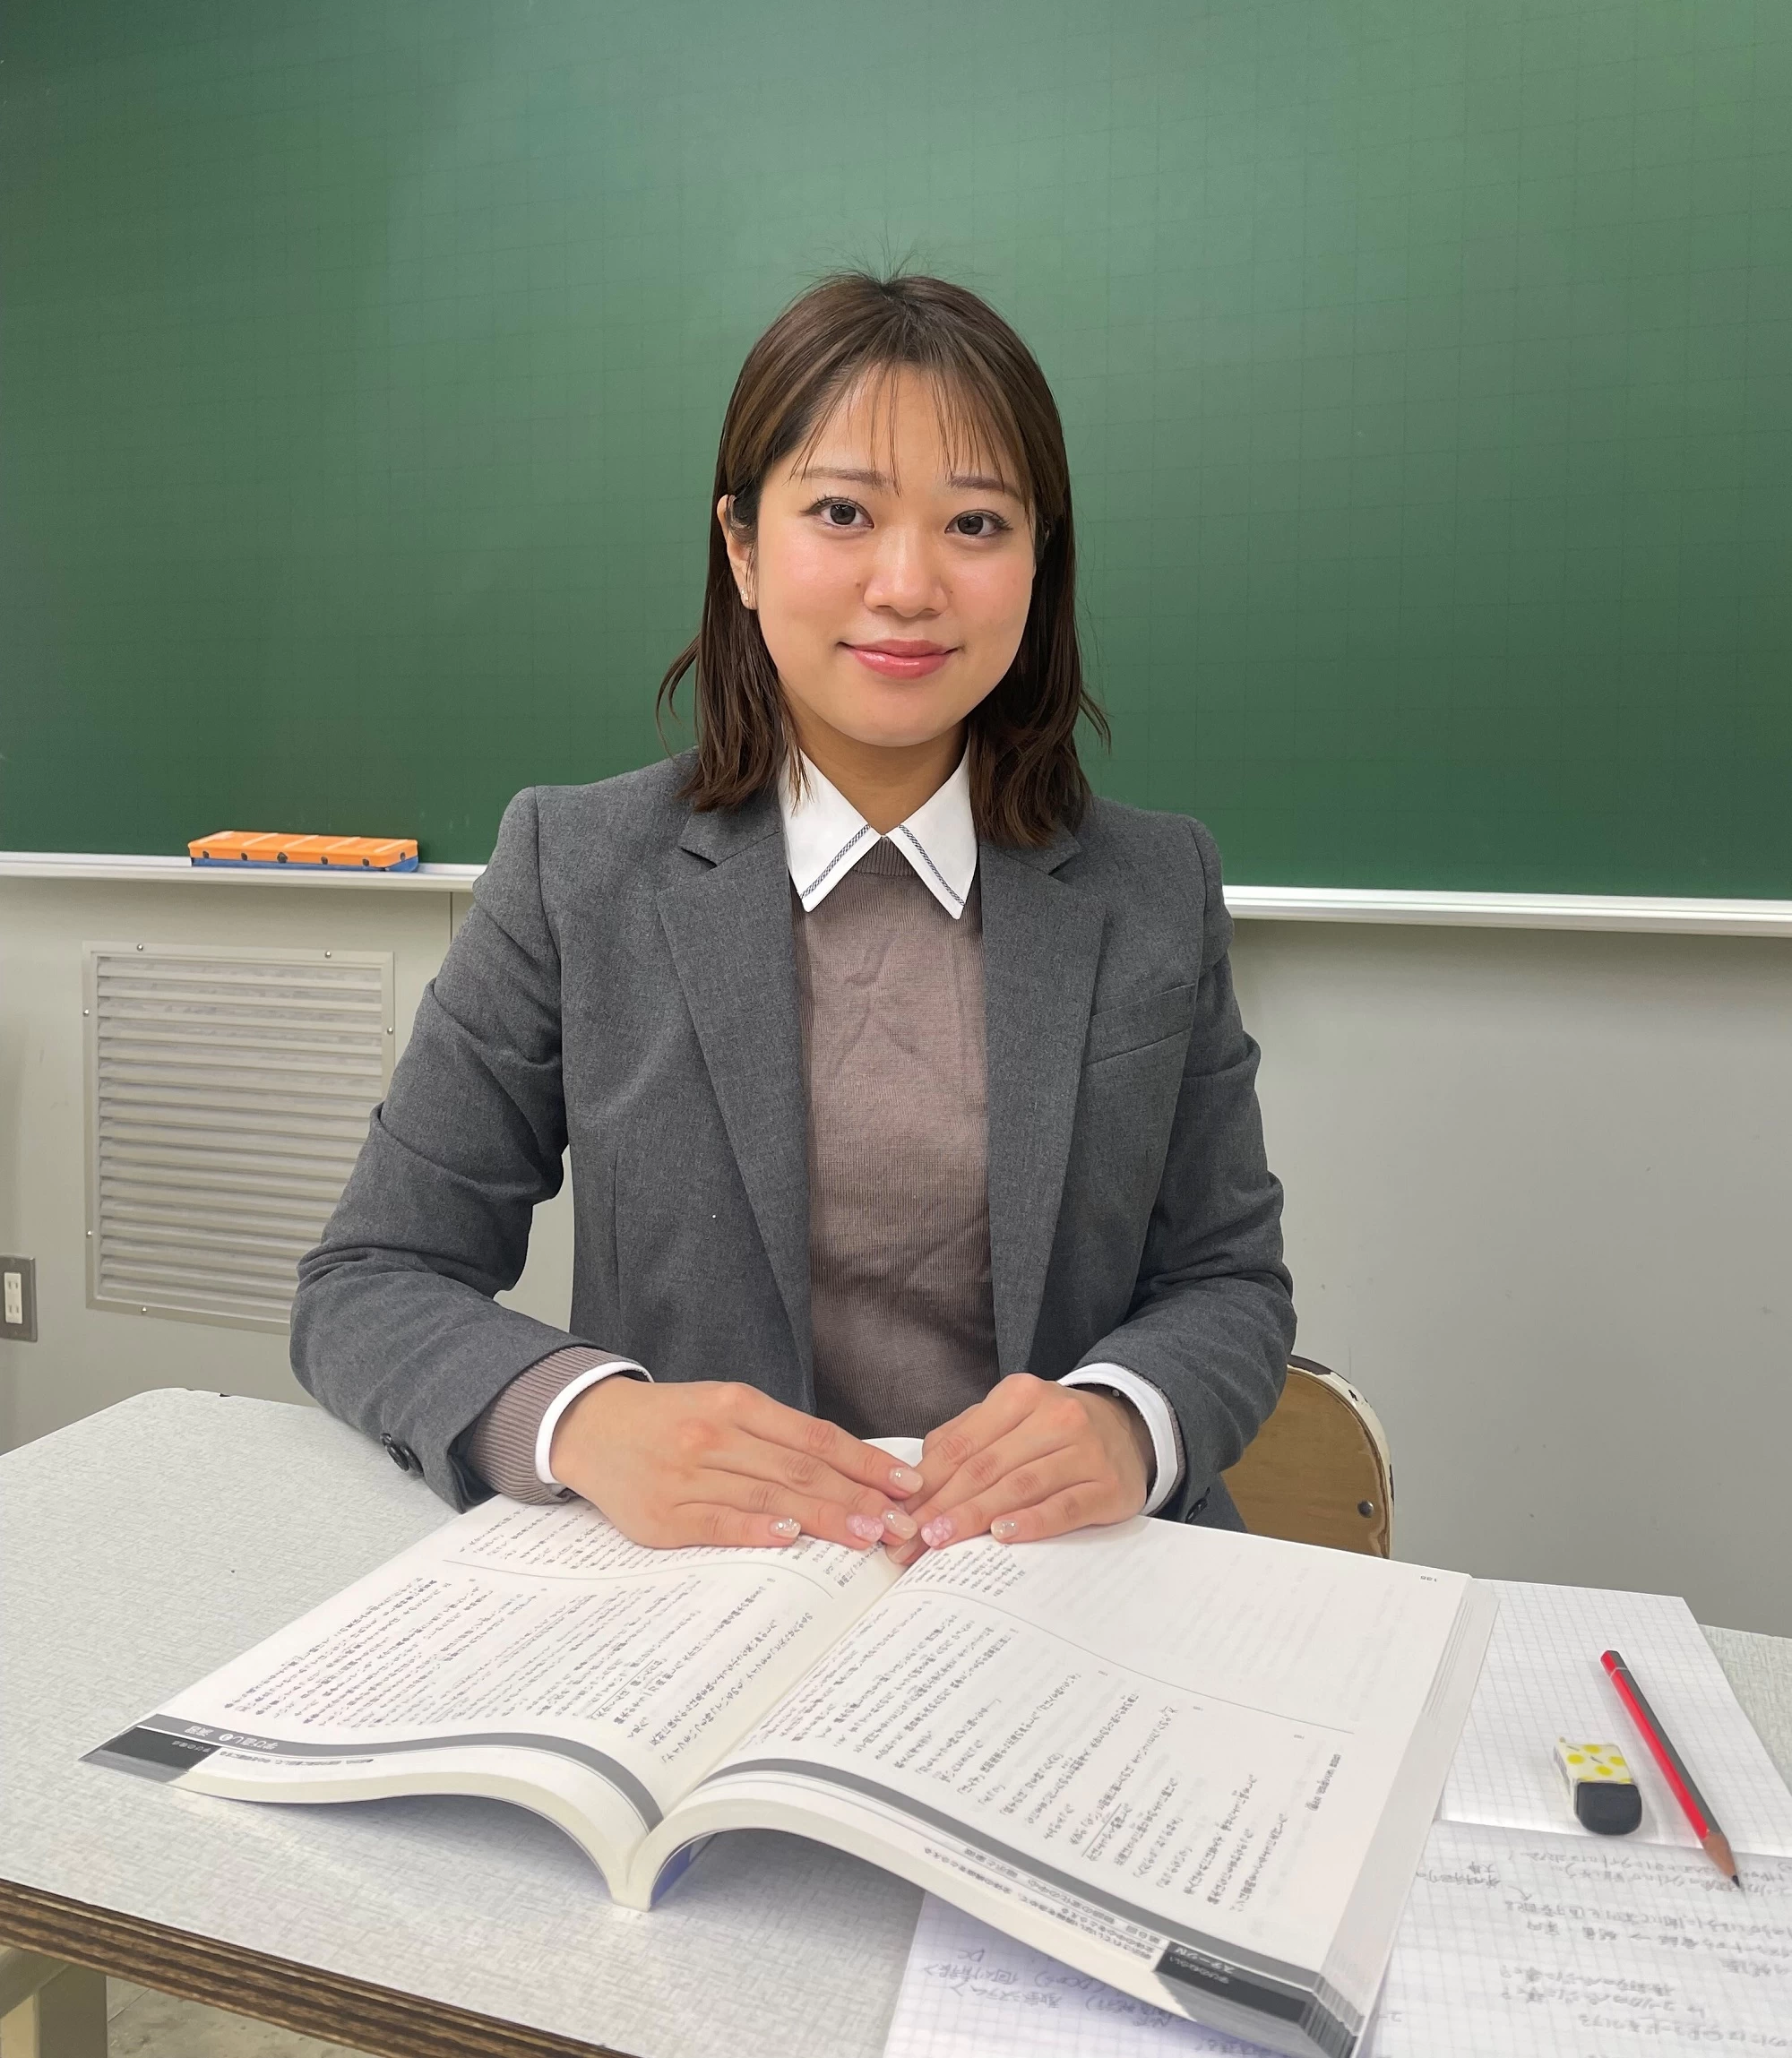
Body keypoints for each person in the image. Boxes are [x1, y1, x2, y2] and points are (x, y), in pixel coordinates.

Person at [292, 271, 1295, 1567]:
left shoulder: (1151, 889)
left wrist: (1126, 1418)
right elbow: (370, 1278)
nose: (907, 583)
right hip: (704, 1598)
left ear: (1040, 564)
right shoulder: (575, 869)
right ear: (744, 550)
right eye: (842, 512)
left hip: (1056, 1594)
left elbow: (1228, 1285)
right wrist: (589, 1423)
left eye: (977, 524)